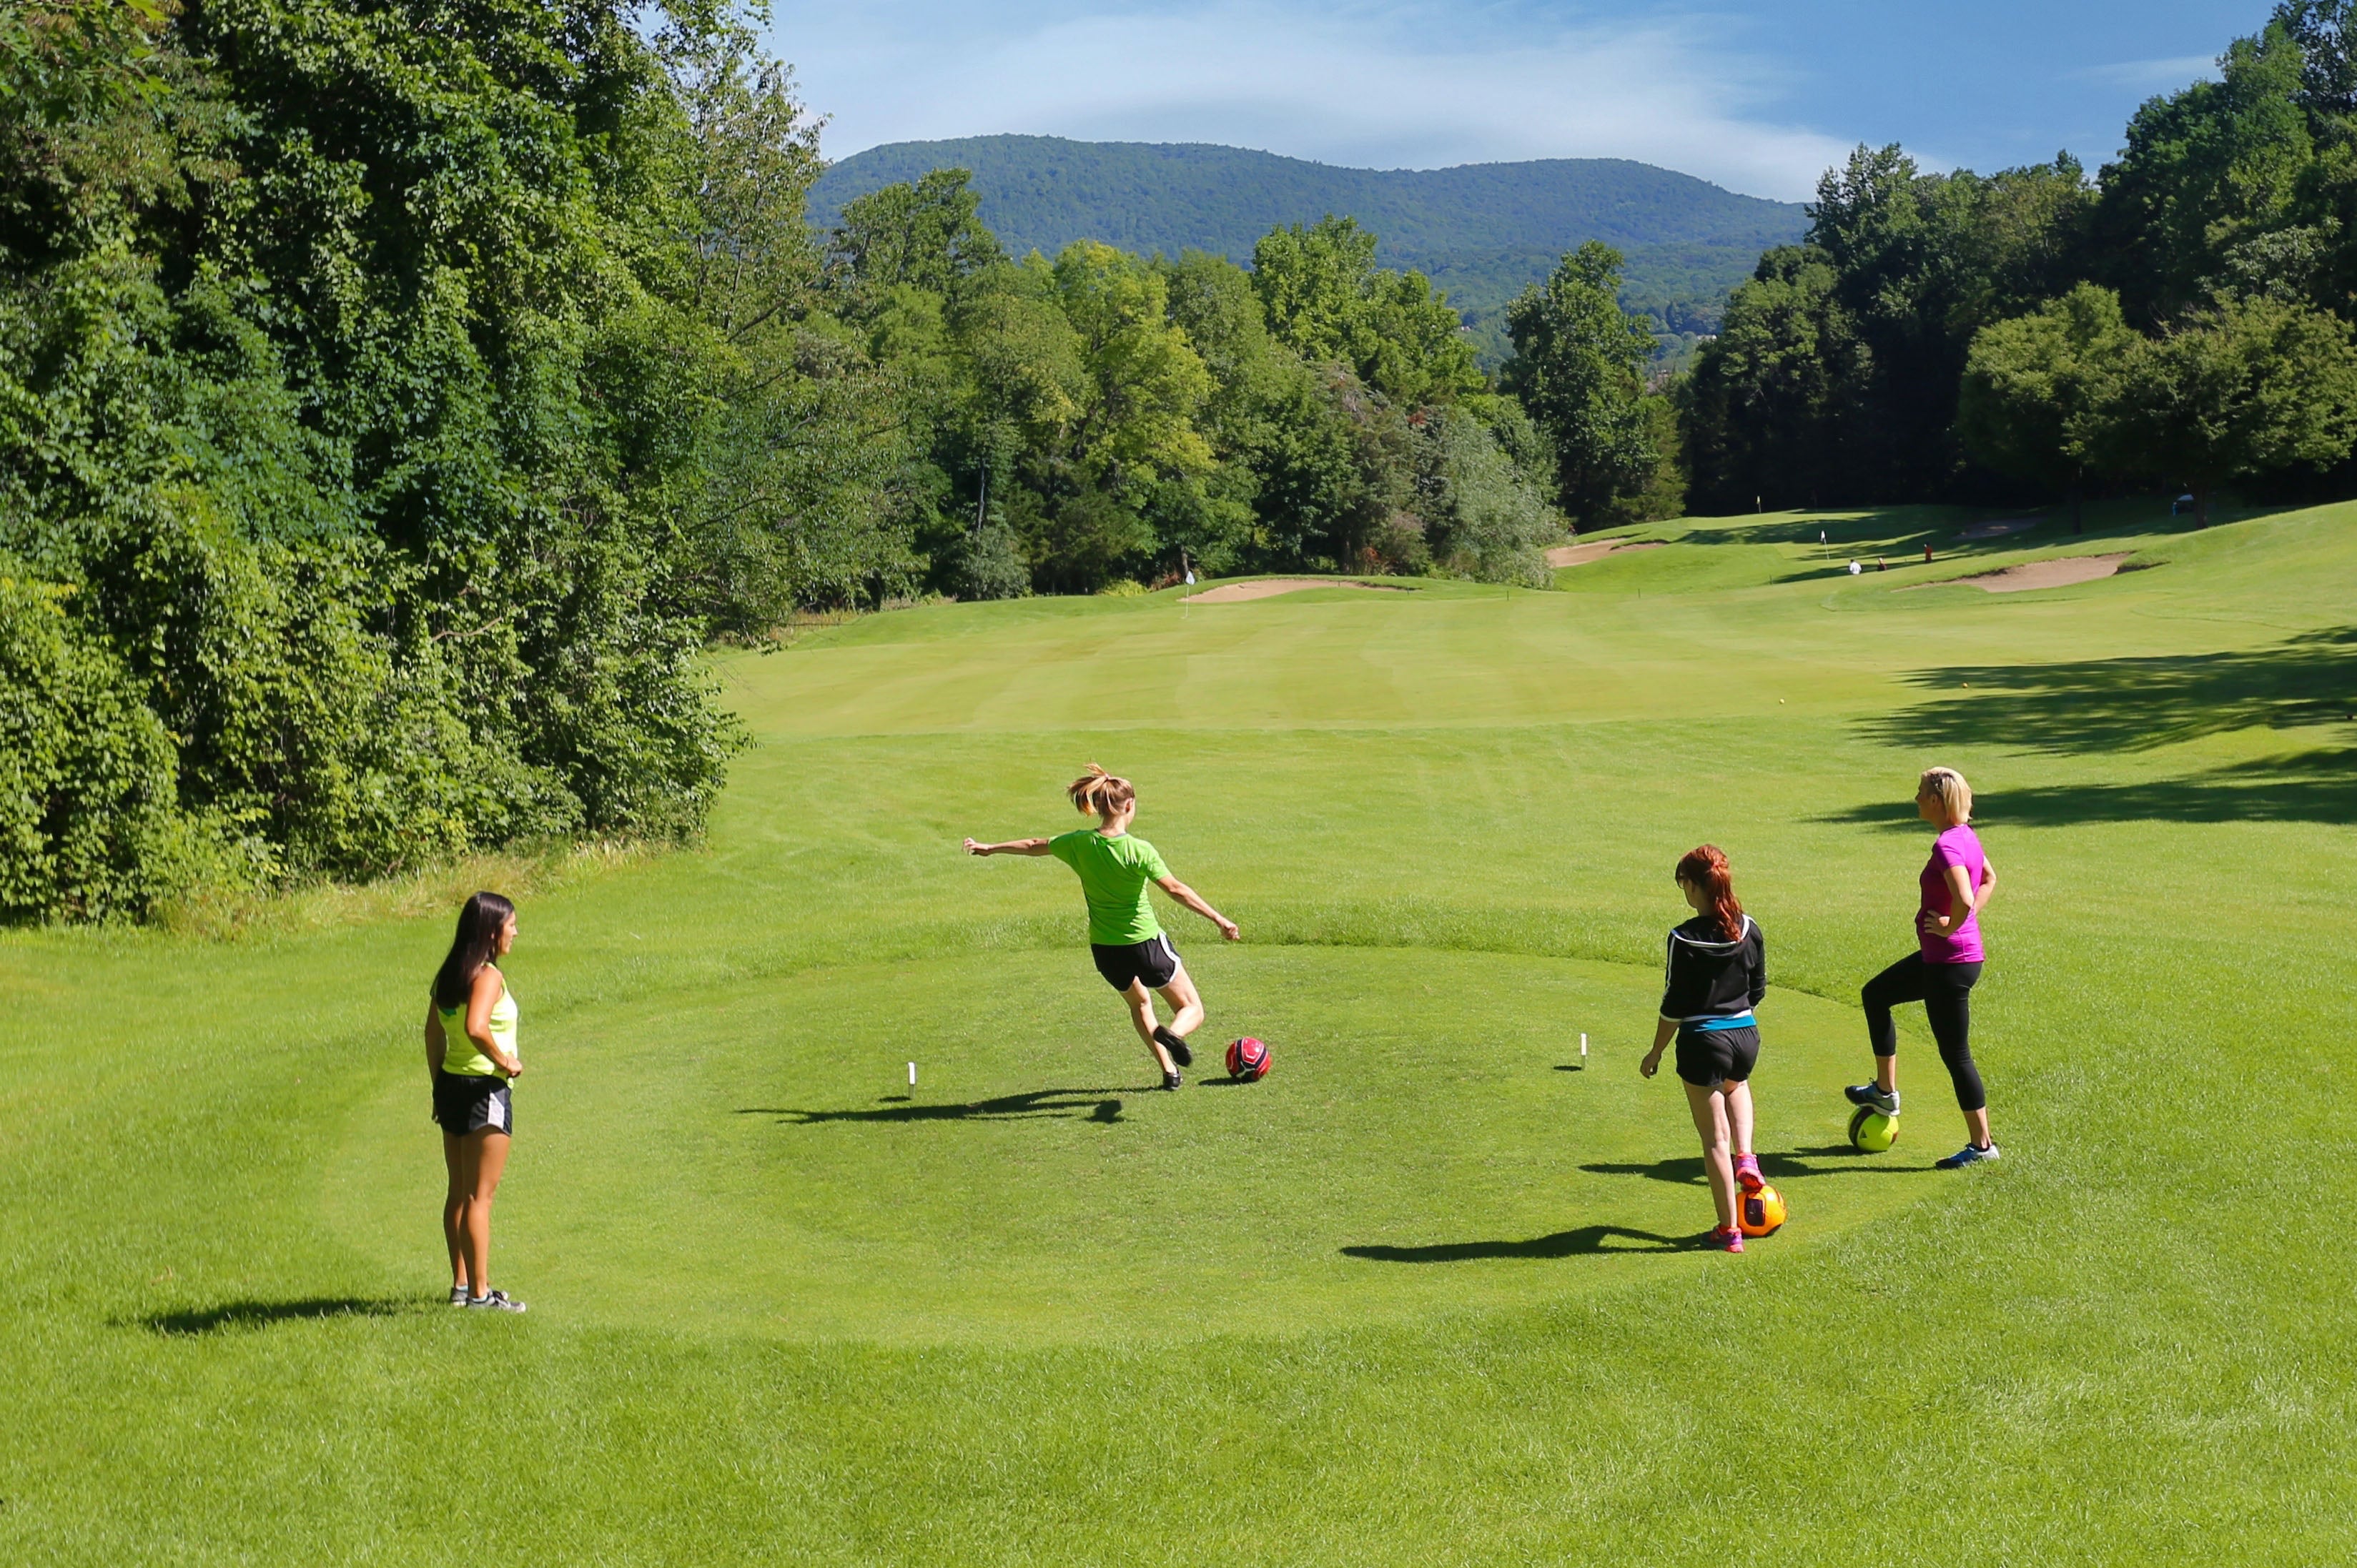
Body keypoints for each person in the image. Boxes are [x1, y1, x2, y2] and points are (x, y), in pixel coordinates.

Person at [965, 766, 1239, 1088]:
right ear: (1129, 806)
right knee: (1192, 1008)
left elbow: (1034, 844)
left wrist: (990, 848)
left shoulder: (1080, 843)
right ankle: (1173, 1035)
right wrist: (1220, 919)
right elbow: (1176, 889)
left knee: (1140, 1005)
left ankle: (1169, 1072)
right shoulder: (1139, 850)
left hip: (1106, 950)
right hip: (1146, 944)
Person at [1846, 767, 2000, 1167]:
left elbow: (1967, 895)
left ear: (1936, 800)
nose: (1915, 799)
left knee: (1957, 1055)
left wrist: (1953, 925)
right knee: (1875, 994)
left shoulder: (1947, 845)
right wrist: (1958, 923)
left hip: (1949, 964)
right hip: (1949, 961)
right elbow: (1990, 878)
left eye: (1920, 793)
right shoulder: (1967, 836)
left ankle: (1982, 1147)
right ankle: (1885, 1090)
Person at [1641, 845, 1769, 1252]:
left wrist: (1655, 1052)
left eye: (1684, 885)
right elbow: (1758, 989)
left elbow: (1674, 1005)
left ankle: (1730, 1232)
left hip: (1702, 1040)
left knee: (1715, 1140)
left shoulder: (1683, 937)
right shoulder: (1749, 927)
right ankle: (1747, 1156)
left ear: (1695, 886)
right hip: (1746, 1036)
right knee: (1738, 1085)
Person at [425, 891, 528, 1311]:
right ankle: (481, 1296)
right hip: (485, 1091)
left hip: (451, 1086)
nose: (516, 933)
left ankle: (462, 1287)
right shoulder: (488, 977)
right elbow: (476, 1026)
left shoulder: (451, 972)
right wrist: (506, 1061)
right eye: (511, 926)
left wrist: (437, 1087)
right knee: (479, 1198)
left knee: (459, 1193)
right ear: (491, 932)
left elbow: (434, 1033)